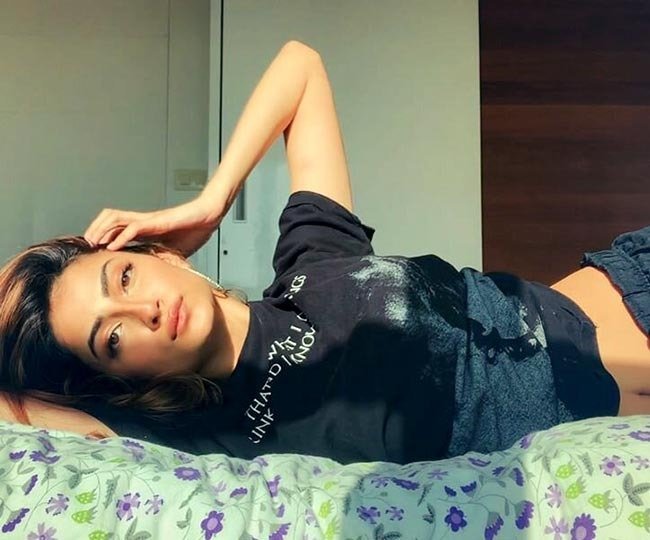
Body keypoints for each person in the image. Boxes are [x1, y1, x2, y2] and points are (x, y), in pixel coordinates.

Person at [0, 40, 648, 464]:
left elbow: (300, 66)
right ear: (121, 381)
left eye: (124, 277)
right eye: (111, 339)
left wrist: (212, 201)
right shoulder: (215, 439)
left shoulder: (316, 262)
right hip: (609, 452)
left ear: (161, 257)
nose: (138, 312)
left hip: (625, 292)